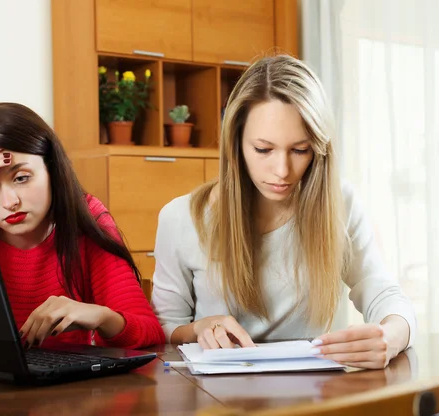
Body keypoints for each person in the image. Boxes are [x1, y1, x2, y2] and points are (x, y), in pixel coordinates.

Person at [151, 55, 415, 369]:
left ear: (318, 148)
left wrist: (391, 336)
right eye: (263, 149)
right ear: (236, 143)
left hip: (310, 396)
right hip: (214, 399)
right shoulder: (180, 218)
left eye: (300, 150)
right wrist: (198, 328)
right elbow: (162, 329)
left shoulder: (339, 202)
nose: (282, 170)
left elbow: (382, 291)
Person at [0, 102, 164, 350]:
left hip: (60, 387)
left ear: (51, 169)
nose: (10, 202)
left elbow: (149, 332)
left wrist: (101, 316)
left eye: (21, 178)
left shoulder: (84, 216)